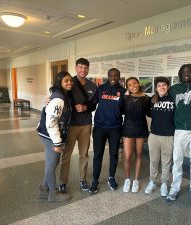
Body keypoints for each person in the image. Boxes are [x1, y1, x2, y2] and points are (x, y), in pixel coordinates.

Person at [166, 64, 191, 205]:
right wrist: (156, 96)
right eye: (183, 72)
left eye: (189, 72)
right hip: (180, 130)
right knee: (177, 161)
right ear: (180, 74)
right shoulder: (175, 89)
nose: (186, 73)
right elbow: (164, 96)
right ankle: (174, 188)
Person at [58, 58, 97, 193]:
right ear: (76, 68)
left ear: (88, 69)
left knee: (84, 154)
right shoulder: (70, 82)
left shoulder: (93, 86)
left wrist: (85, 107)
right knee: (67, 154)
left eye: (85, 68)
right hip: (71, 124)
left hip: (86, 124)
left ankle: (83, 179)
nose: (83, 70)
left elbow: (94, 104)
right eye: (80, 67)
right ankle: (63, 181)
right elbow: (60, 94)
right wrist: (50, 98)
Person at [37, 71, 73, 202]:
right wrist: (57, 143)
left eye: (70, 80)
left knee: (52, 163)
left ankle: (43, 190)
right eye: (66, 81)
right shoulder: (58, 99)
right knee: (51, 165)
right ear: (60, 83)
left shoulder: (61, 96)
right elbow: (51, 123)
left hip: (50, 135)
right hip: (50, 137)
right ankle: (53, 193)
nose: (69, 83)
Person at [89, 68, 125, 194]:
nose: (113, 77)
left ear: (119, 76)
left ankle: (111, 178)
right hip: (99, 127)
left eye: (116, 75)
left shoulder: (123, 91)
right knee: (98, 154)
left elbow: (126, 109)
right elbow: (92, 104)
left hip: (115, 128)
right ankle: (95, 180)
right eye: (111, 75)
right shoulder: (100, 89)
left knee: (113, 154)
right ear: (107, 76)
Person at [144, 77, 175, 197]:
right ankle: (152, 181)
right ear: (156, 88)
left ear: (167, 86)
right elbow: (147, 112)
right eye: (159, 86)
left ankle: (164, 183)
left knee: (167, 161)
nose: (162, 87)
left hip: (169, 135)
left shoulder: (173, 99)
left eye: (164, 85)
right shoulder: (152, 99)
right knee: (153, 160)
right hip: (154, 135)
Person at [122, 77, 149, 193]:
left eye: (135, 83)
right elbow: (120, 110)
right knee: (127, 156)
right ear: (127, 87)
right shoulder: (125, 98)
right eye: (130, 85)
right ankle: (127, 179)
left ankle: (136, 180)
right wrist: (123, 96)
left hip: (141, 128)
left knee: (138, 154)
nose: (133, 86)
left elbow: (150, 112)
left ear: (138, 84)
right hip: (128, 128)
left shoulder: (146, 98)